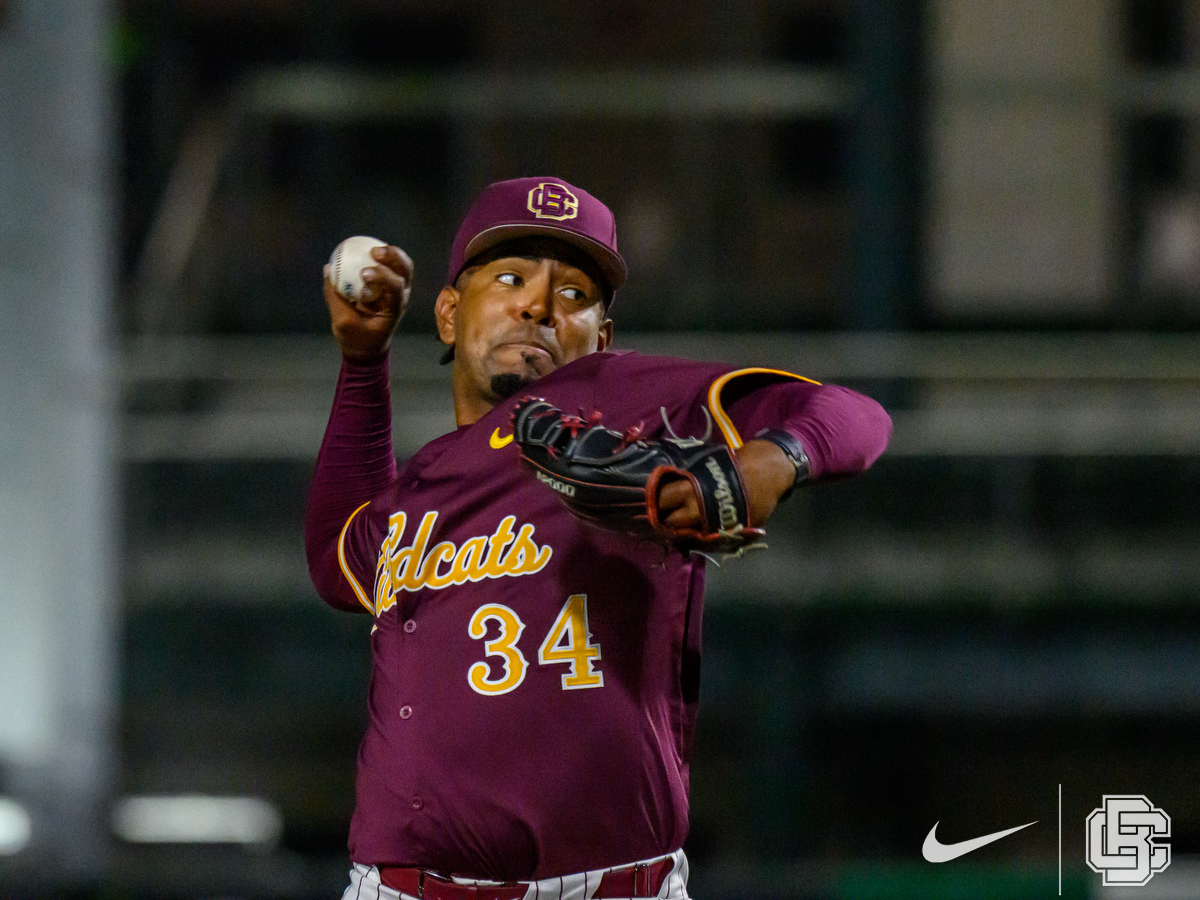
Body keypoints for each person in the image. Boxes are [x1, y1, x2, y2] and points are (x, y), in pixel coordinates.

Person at [305, 177, 892, 900]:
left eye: (575, 294)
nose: (539, 306)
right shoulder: (421, 486)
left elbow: (856, 414)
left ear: (603, 336)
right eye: (512, 277)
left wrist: (769, 462)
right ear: (451, 315)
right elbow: (339, 562)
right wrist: (363, 363)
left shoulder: (622, 402)